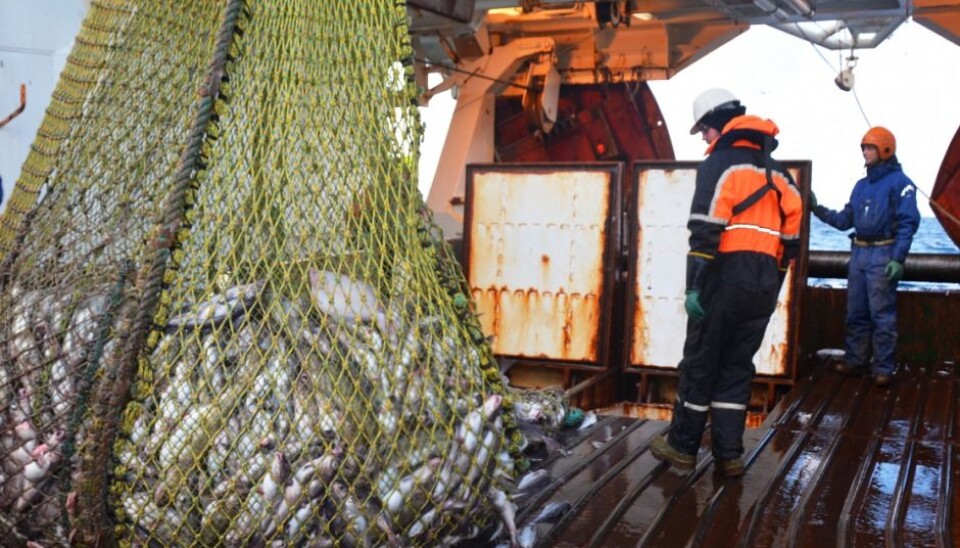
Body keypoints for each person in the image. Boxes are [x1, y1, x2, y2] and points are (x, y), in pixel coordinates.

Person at [650, 88, 803, 477]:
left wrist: (694, 287)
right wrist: (772, 286)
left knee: (701, 362)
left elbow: (704, 231)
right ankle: (730, 455)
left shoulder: (719, 166)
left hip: (723, 282)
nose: (703, 138)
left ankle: (682, 447)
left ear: (718, 126)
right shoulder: (781, 174)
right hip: (763, 288)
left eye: (704, 130)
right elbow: (790, 245)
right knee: (736, 367)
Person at [810, 126, 919, 387]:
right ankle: (856, 361)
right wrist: (817, 209)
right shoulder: (860, 186)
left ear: (885, 149)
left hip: (883, 253)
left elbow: (908, 222)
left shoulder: (901, 184)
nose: (865, 153)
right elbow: (845, 219)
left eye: (869, 148)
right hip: (859, 253)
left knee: (881, 314)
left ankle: (883, 368)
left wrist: (898, 258)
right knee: (856, 312)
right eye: (863, 148)